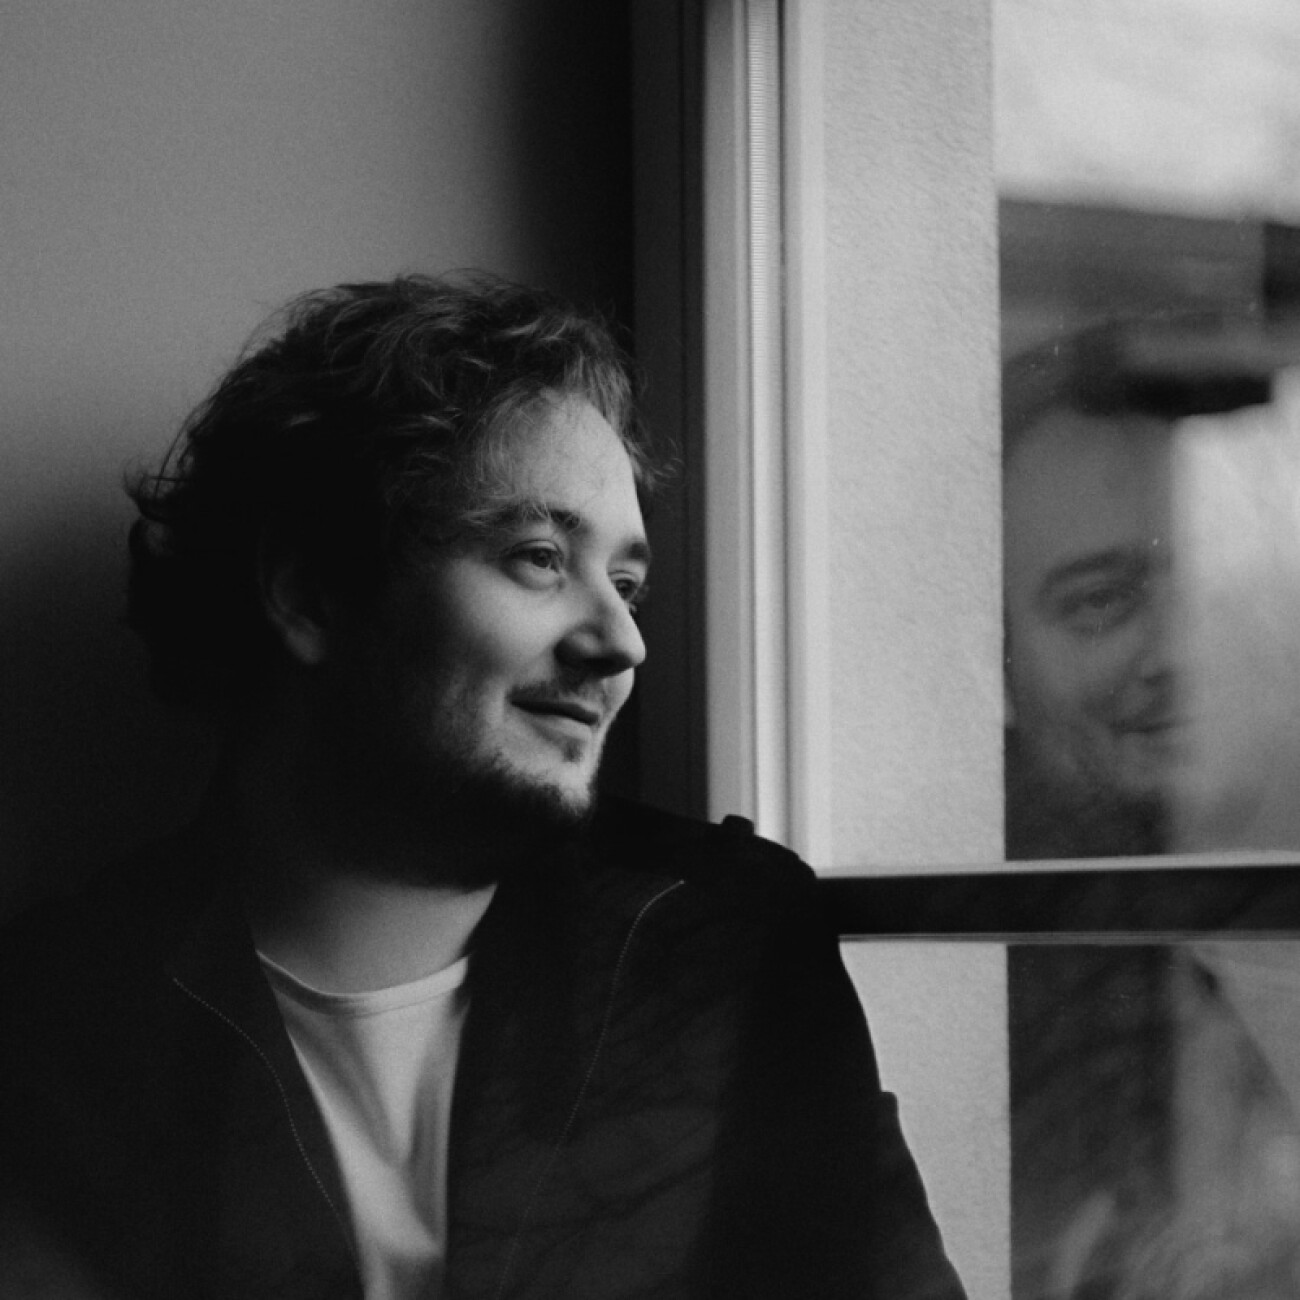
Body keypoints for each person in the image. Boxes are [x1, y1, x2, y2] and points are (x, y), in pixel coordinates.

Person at [0, 273, 964, 1300]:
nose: (622, 642)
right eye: (540, 558)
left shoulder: (722, 940)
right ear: (313, 594)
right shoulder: (57, 1023)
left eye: (627, 584)